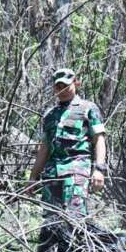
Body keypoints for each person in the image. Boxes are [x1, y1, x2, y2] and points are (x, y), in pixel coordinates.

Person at [29, 68, 107, 216]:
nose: (62, 90)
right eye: (58, 87)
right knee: (51, 220)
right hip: (52, 174)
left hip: (76, 172)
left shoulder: (88, 109)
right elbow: (44, 148)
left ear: (76, 83)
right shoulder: (50, 114)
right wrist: (33, 177)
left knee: (74, 217)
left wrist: (99, 169)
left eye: (66, 86)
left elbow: (99, 139)